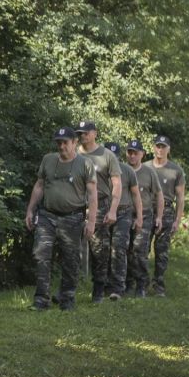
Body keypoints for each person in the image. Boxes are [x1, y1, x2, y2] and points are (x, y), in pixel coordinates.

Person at [25, 127, 96, 311]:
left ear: (74, 143)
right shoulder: (48, 160)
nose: (61, 146)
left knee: (71, 260)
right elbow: (39, 185)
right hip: (47, 215)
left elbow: (92, 194)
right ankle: (41, 300)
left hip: (72, 218)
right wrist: (30, 210)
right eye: (59, 142)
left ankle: (67, 299)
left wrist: (92, 221)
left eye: (65, 142)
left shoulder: (85, 164)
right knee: (41, 255)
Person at [75, 121, 121, 303]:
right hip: (75, 205)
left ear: (94, 133)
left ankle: (98, 290)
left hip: (101, 205)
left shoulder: (107, 155)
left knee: (99, 250)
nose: (82, 135)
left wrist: (113, 210)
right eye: (80, 133)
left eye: (86, 132)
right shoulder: (74, 153)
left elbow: (117, 184)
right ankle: (68, 288)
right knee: (69, 247)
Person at [103, 142, 141, 300]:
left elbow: (136, 195)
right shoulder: (98, 170)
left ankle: (118, 288)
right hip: (102, 212)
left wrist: (139, 217)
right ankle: (103, 284)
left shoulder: (127, 170)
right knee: (102, 250)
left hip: (124, 212)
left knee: (119, 248)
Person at [149, 135, 185, 297]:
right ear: (153, 147)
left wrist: (178, 220)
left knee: (161, 251)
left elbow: (181, 197)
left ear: (168, 149)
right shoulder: (145, 167)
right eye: (158, 146)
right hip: (146, 210)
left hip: (167, 212)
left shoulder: (176, 170)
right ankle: (139, 284)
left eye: (163, 146)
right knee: (139, 249)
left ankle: (159, 286)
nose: (160, 149)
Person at [125, 140, 161, 298]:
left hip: (145, 215)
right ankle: (127, 284)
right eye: (130, 152)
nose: (132, 156)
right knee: (124, 250)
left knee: (139, 250)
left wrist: (159, 217)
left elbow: (159, 195)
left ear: (142, 154)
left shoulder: (149, 172)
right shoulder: (122, 170)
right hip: (125, 214)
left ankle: (141, 285)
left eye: (135, 153)